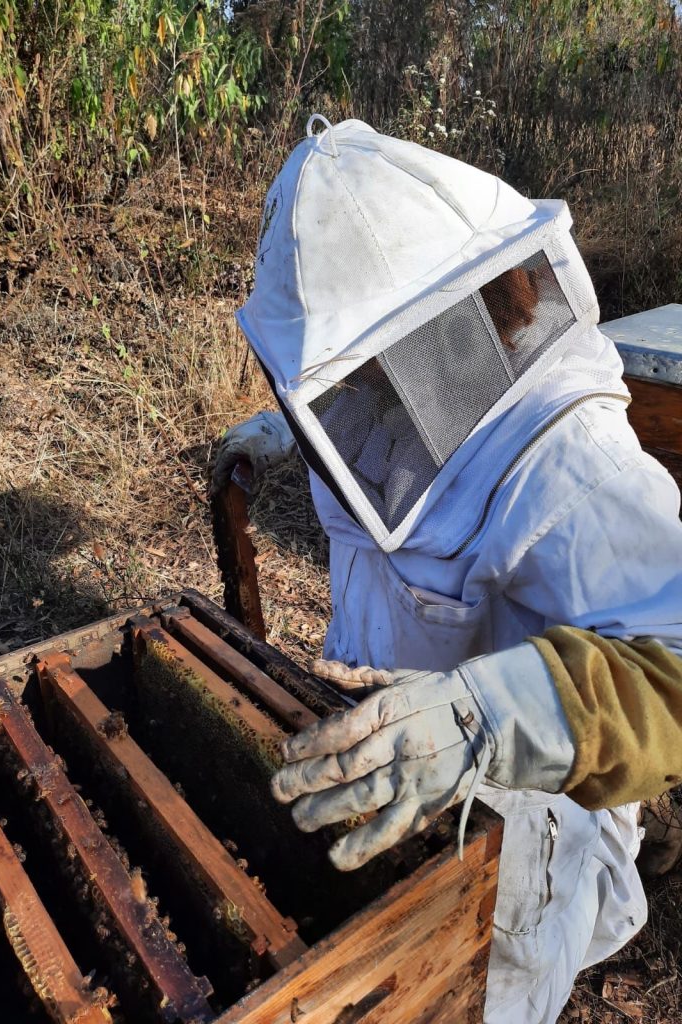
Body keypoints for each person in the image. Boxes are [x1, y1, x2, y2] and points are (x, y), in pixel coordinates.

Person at [212, 115, 682, 1023]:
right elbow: (379, 425)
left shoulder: (577, 468)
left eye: (379, 360)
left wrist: (493, 711)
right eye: (345, 377)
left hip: (517, 825)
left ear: (462, 314)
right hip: (387, 750)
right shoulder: (412, 384)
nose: (369, 388)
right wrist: (285, 434)